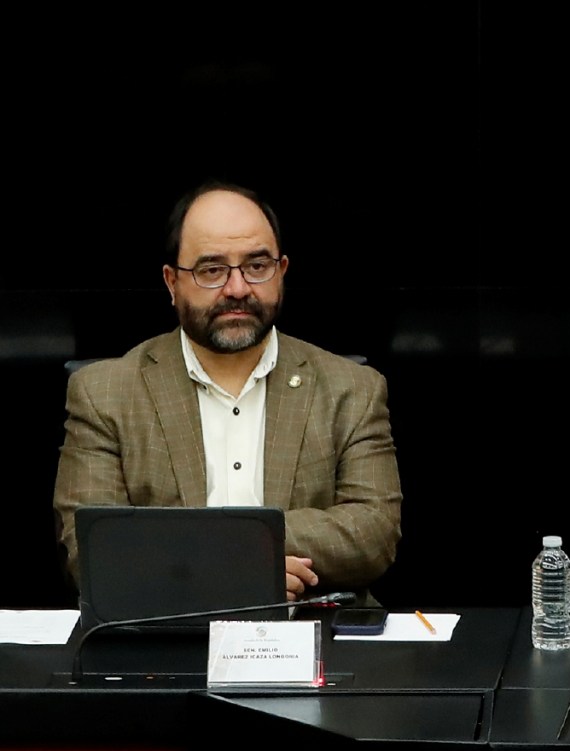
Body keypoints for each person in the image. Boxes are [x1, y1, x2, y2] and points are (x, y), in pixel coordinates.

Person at [54, 181, 402, 602]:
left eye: (257, 266)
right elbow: (92, 550)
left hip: (315, 635)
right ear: (171, 282)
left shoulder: (352, 389)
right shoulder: (105, 393)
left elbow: (374, 534)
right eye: (211, 270)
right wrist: (238, 567)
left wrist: (206, 551)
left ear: (282, 271)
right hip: (165, 640)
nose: (237, 289)